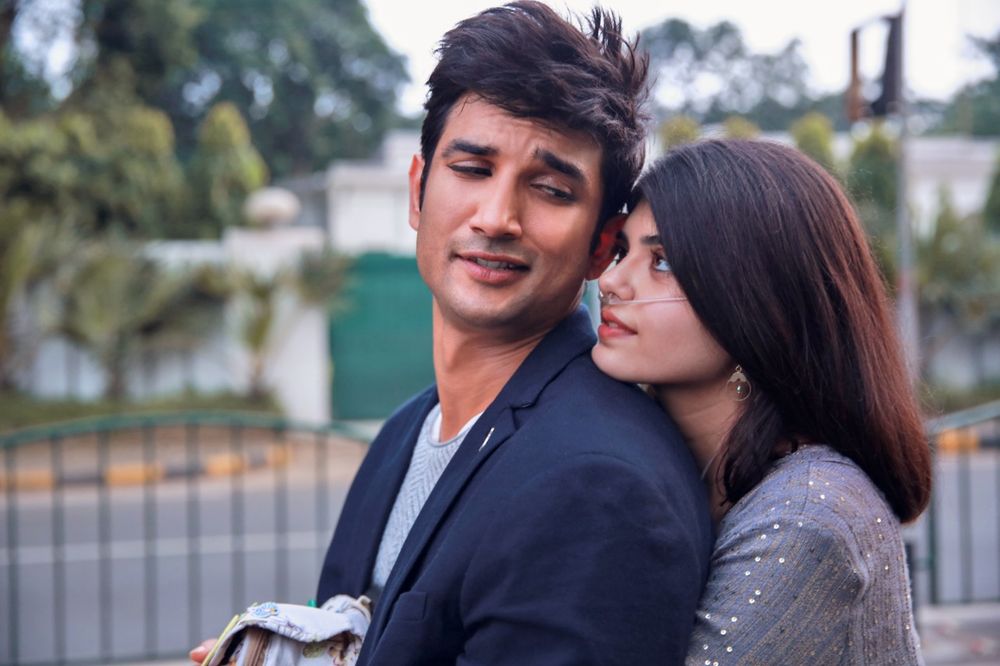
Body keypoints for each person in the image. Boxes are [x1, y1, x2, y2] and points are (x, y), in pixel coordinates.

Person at [192, 3, 712, 664]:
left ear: (601, 246)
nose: (496, 217)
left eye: (551, 189)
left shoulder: (598, 484)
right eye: (472, 169)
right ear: (417, 192)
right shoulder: (406, 430)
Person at [592, 138, 933, 664]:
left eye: (662, 262)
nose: (612, 281)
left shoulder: (806, 515)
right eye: (622, 252)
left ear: (755, 302)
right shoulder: (675, 464)